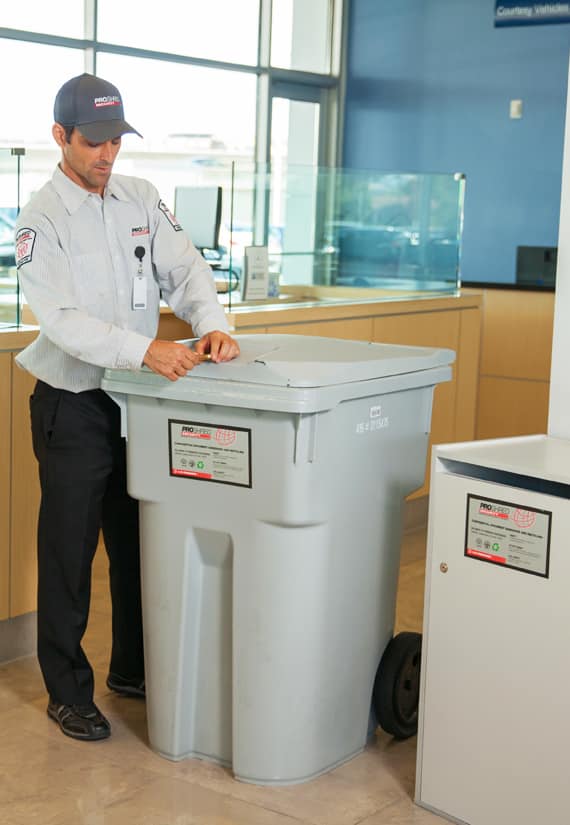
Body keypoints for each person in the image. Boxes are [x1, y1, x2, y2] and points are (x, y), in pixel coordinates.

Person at [14, 73, 240, 742]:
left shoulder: (140, 197)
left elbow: (187, 269)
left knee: (140, 544)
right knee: (69, 552)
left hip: (135, 406)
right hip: (73, 404)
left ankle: (133, 670)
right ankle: (67, 691)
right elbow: (62, 322)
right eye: (93, 142)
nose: (107, 155)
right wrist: (145, 350)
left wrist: (213, 320)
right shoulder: (40, 220)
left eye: (116, 140)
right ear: (60, 137)